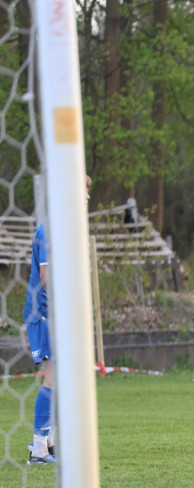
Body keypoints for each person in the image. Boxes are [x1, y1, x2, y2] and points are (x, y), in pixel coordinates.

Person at [23, 175, 92, 465]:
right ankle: (38, 448)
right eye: (84, 191)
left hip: (56, 314)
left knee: (62, 379)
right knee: (53, 377)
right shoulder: (50, 229)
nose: (87, 198)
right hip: (46, 314)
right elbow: (48, 279)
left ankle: (47, 440)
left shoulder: (67, 229)